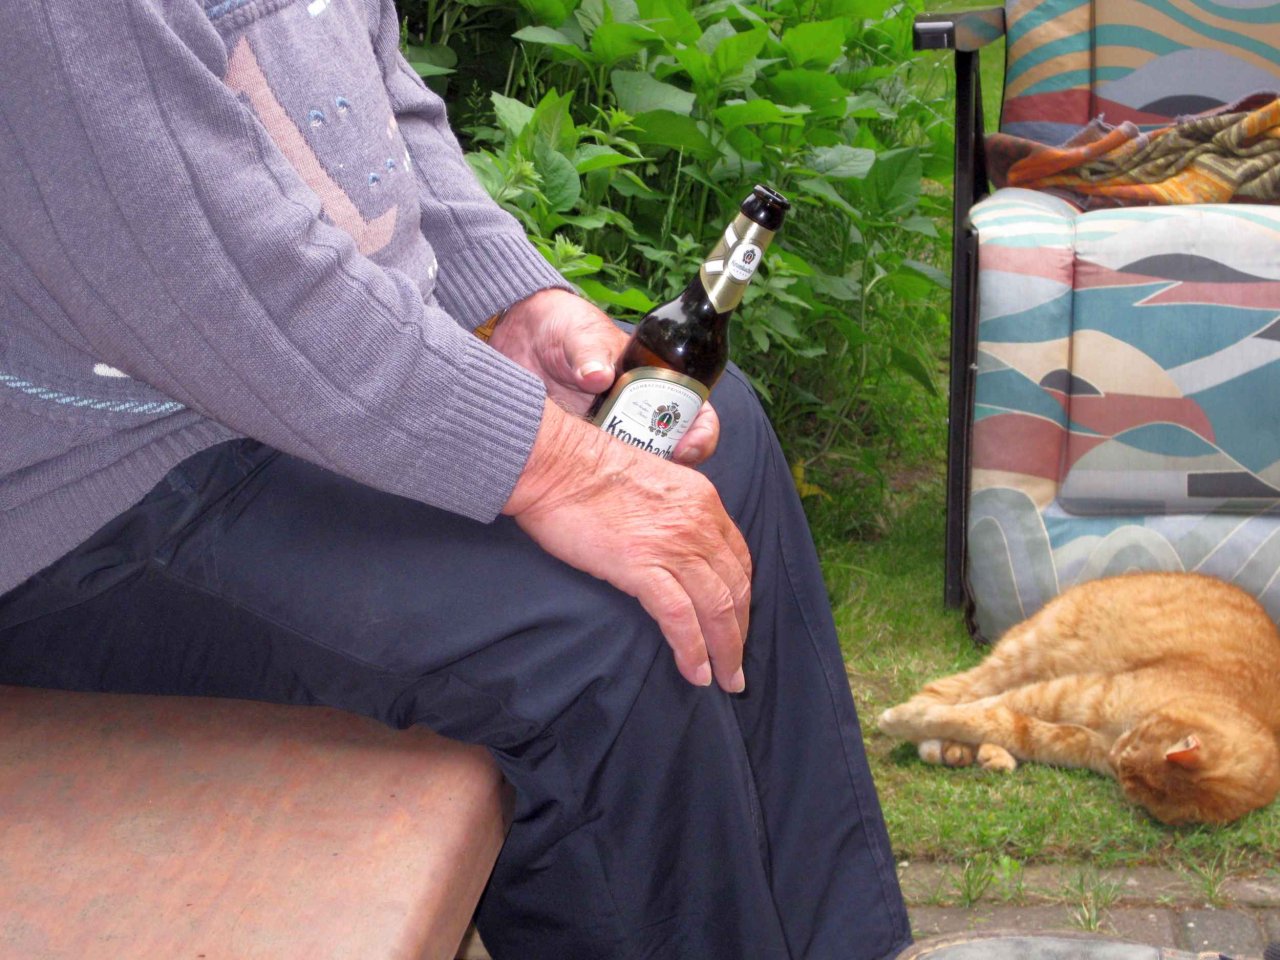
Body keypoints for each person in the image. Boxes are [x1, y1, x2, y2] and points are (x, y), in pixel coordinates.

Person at [0, 0, 912, 957]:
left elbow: (377, 103)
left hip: (283, 391)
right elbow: (211, 276)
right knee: (588, 645)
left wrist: (514, 303)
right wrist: (560, 471)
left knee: (717, 443)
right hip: (93, 493)